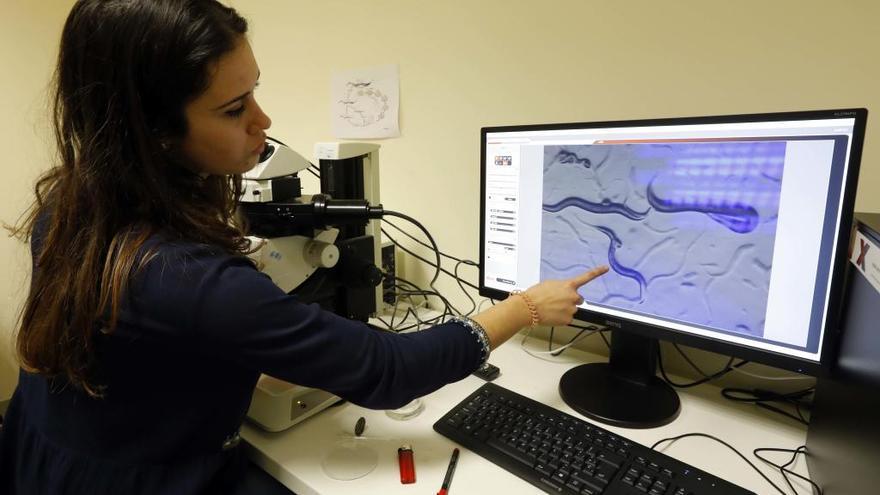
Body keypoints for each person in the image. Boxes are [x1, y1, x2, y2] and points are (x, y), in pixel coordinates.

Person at [0, 1, 608, 494]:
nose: (263, 121)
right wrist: (524, 307)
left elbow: (158, 345)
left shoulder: (74, 205)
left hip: (46, 447)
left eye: (255, 92)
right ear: (153, 131)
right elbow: (388, 371)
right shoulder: (181, 276)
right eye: (235, 108)